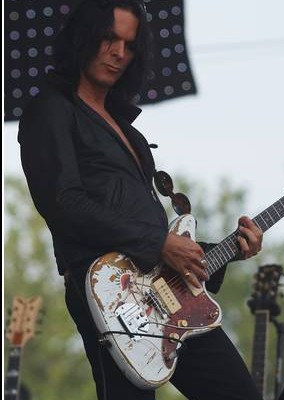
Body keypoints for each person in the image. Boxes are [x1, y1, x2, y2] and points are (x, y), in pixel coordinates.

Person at [18, 1, 263, 399]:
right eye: (108, 38)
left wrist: (230, 249)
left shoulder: (128, 132)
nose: (118, 53)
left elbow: (150, 232)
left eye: (129, 45)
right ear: (83, 38)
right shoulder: (50, 111)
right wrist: (158, 243)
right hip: (108, 293)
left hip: (171, 294)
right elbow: (63, 203)